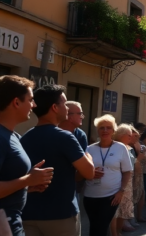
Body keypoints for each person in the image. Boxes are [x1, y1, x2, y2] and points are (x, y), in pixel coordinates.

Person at [20, 85, 94, 236]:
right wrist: (87, 154)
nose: (67, 109)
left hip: (28, 214)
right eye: (65, 104)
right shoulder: (65, 137)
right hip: (61, 216)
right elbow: (89, 172)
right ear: (54, 107)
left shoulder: (24, 137)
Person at [0, 76, 54, 236]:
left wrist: (25, 188)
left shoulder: (13, 136)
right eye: (31, 100)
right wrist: (28, 180)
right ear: (16, 102)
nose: (34, 105)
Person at [83, 115, 133, 236]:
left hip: (111, 196)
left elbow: (127, 171)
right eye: (102, 128)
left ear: (113, 130)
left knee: (102, 226)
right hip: (90, 196)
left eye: (108, 128)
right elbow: (82, 172)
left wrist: (121, 191)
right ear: (97, 130)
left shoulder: (120, 148)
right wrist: (91, 173)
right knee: (94, 227)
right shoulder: (89, 149)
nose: (105, 130)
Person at [113, 124, 137, 235]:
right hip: (118, 181)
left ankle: (119, 231)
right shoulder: (115, 146)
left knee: (123, 210)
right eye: (128, 135)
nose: (130, 137)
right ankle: (114, 233)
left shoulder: (129, 147)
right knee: (115, 211)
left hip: (128, 183)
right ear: (121, 135)